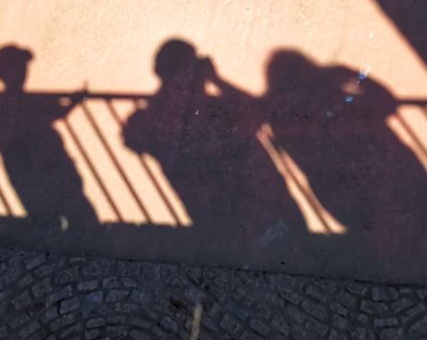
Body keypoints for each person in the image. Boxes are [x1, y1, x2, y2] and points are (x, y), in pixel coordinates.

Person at [262, 49, 427, 258]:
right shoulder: (338, 104)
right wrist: (350, 73)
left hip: (347, 194)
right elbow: (387, 101)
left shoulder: (278, 113)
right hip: (394, 179)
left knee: (398, 246)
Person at [123, 39, 305, 245]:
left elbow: (258, 112)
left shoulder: (215, 108)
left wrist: (216, 80)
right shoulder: (151, 118)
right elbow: (138, 138)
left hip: (267, 213)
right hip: (227, 221)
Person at [0, 44, 96, 231]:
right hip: (45, 170)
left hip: (44, 171)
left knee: (61, 220)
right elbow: (57, 111)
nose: (23, 72)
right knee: (75, 220)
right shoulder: (2, 105)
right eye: (19, 66)